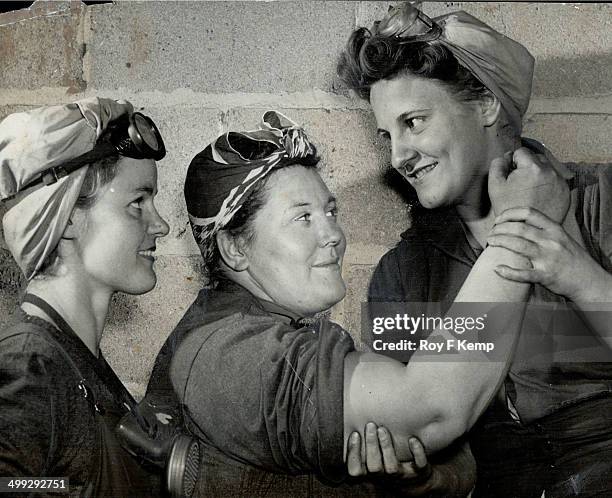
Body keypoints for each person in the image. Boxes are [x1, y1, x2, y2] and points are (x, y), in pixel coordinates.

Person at [143, 110, 567, 497]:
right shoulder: (228, 354)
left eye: (331, 211)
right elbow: (432, 408)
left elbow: (446, 450)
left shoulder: (278, 332)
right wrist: (519, 232)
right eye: (303, 217)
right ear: (234, 248)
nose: (334, 235)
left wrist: (425, 480)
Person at [337, 3, 612, 496]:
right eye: (387, 135)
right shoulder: (402, 274)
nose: (398, 156)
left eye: (414, 122)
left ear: (485, 105)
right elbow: (449, 458)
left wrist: (576, 273)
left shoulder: (601, 203)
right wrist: (424, 478)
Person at [0, 98, 169, 496]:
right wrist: (65, 489)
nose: (160, 225)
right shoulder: (29, 363)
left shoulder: (79, 360)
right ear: (70, 216)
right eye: (137, 203)